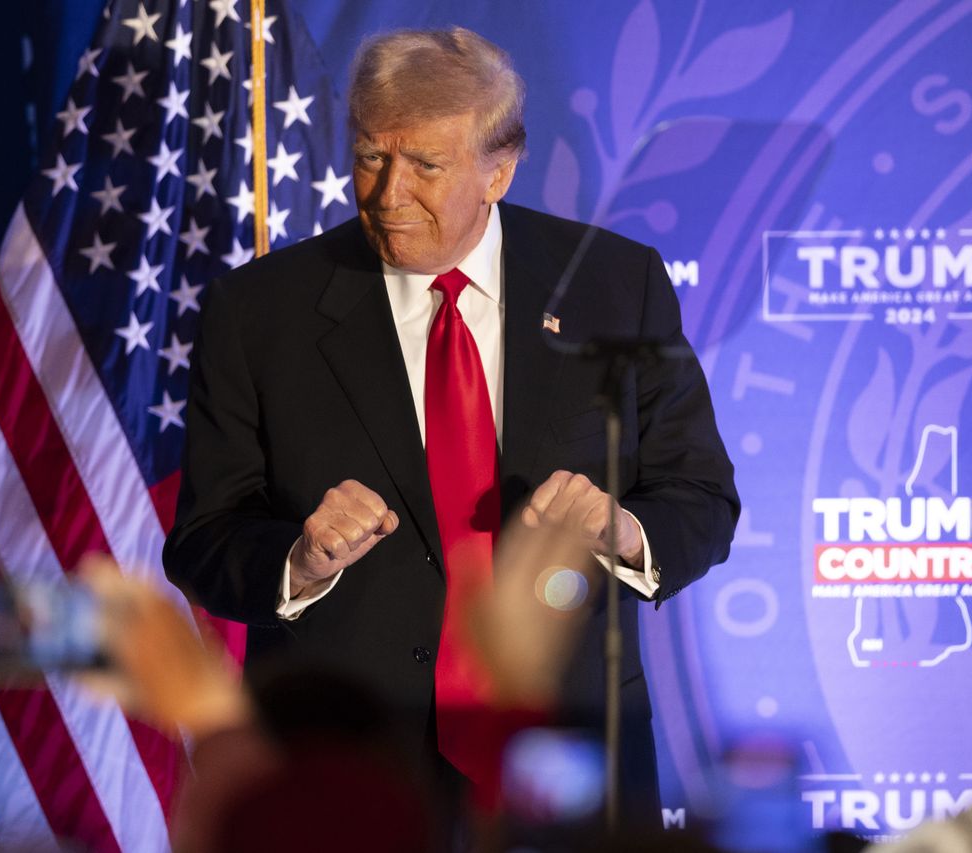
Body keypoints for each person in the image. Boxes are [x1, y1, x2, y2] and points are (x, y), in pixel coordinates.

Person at [163, 26, 740, 826]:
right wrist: (299, 556)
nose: (389, 193)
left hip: (568, 752)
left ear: (498, 170)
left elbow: (702, 495)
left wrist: (627, 529)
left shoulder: (615, 283)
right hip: (344, 769)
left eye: (426, 166)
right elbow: (203, 539)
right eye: (370, 156)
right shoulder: (260, 312)